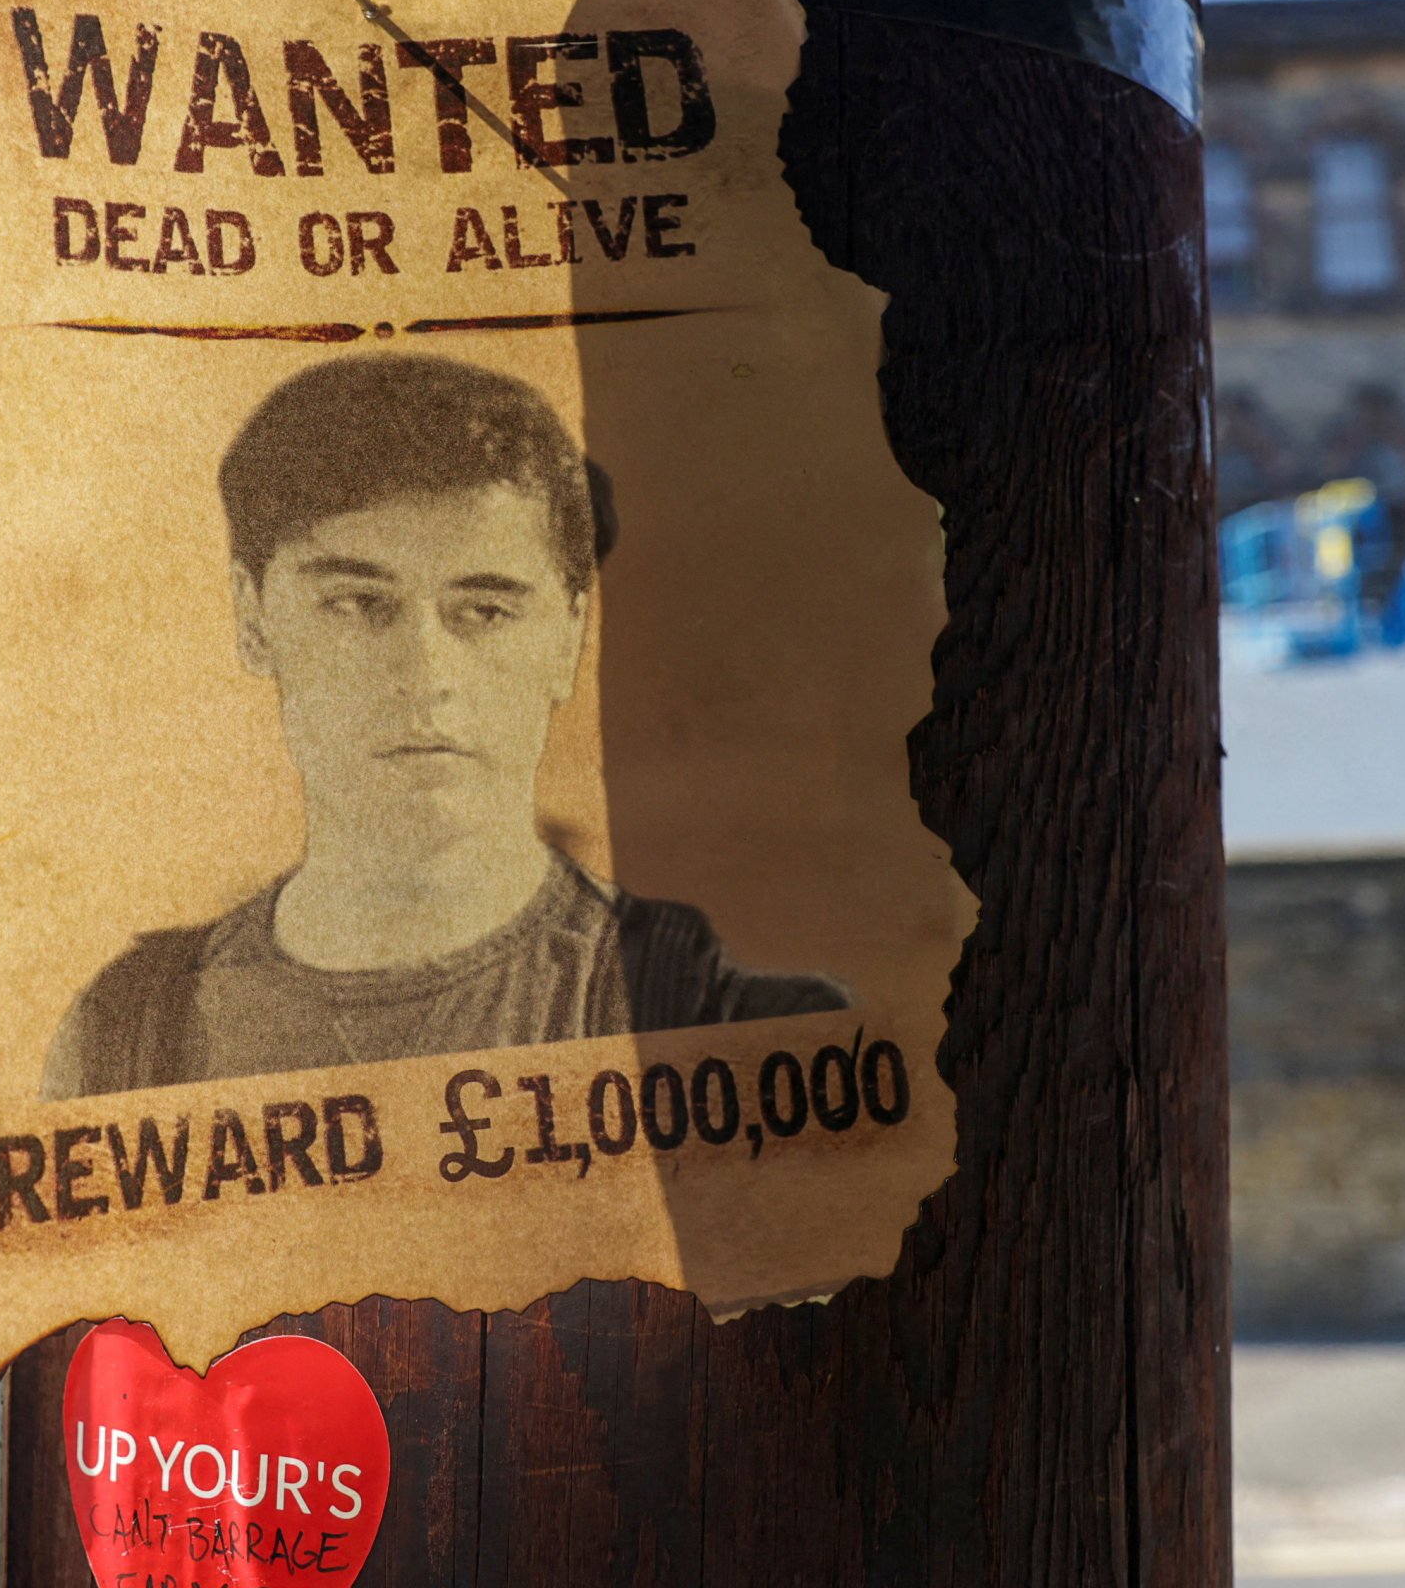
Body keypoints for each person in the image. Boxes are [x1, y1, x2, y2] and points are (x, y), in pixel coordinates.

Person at [44, 353, 846, 1097]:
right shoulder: (123, 1040)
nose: (426, 676)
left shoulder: (731, 1032)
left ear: (567, 639)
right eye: (357, 604)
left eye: (486, 610)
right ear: (253, 618)